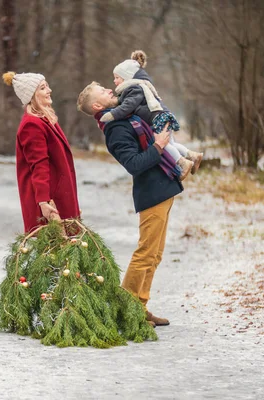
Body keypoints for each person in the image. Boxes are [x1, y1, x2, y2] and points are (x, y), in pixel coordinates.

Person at [76, 81, 183, 327]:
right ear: (97, 105)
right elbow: (133, 164)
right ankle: (126, 311)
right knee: (145, 254)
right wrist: (158, 145)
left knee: (154, 255)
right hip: (151, 191)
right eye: (104, 92)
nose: (110, 90)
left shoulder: (126, 116)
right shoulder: (115, 129)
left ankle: (140, 306)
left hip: (163, 185)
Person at [99, 50, 203, 181]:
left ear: (126, 77)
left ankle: (183, 163)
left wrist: (112, 114)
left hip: (156, 117)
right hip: (161, 114)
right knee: (171, 142)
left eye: (117, 78)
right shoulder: (139, 86)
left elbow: (128, 106)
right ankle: (192, 155)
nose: (114, 81)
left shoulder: (133, 89)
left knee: (163, 144)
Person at [3, 71, 80, 233]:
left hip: (59, 192)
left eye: (47, 86)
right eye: (43, 88)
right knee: (57, 251)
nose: (49, 90)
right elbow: (39, 165)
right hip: (50, 200)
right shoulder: (32, 125)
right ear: (32, 95)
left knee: (64, 252)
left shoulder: (45, 119)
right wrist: (44, 202)